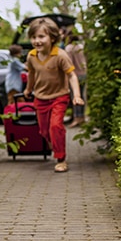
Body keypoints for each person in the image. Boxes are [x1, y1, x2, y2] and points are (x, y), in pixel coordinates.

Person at [23, 17, 85, 173]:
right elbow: (31, 74)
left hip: (59, 97)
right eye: (34, 37)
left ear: (52, 37)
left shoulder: (60, 55)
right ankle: (55, 144)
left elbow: (72, 76)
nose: (37, 41)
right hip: (40, 98)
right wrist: (28, 89)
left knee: (56, 126)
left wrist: (76, 95)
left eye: (41, 37)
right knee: (44, 131)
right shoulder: (31, 56)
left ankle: (61, 158)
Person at [65, 34, 88, 127]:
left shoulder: (69, 48)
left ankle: (76, 118)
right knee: (81, 96)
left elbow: (68, 63)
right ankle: (82, 117)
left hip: (74, 75)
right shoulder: (81, 47)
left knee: (74, 97)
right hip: (83, 74)